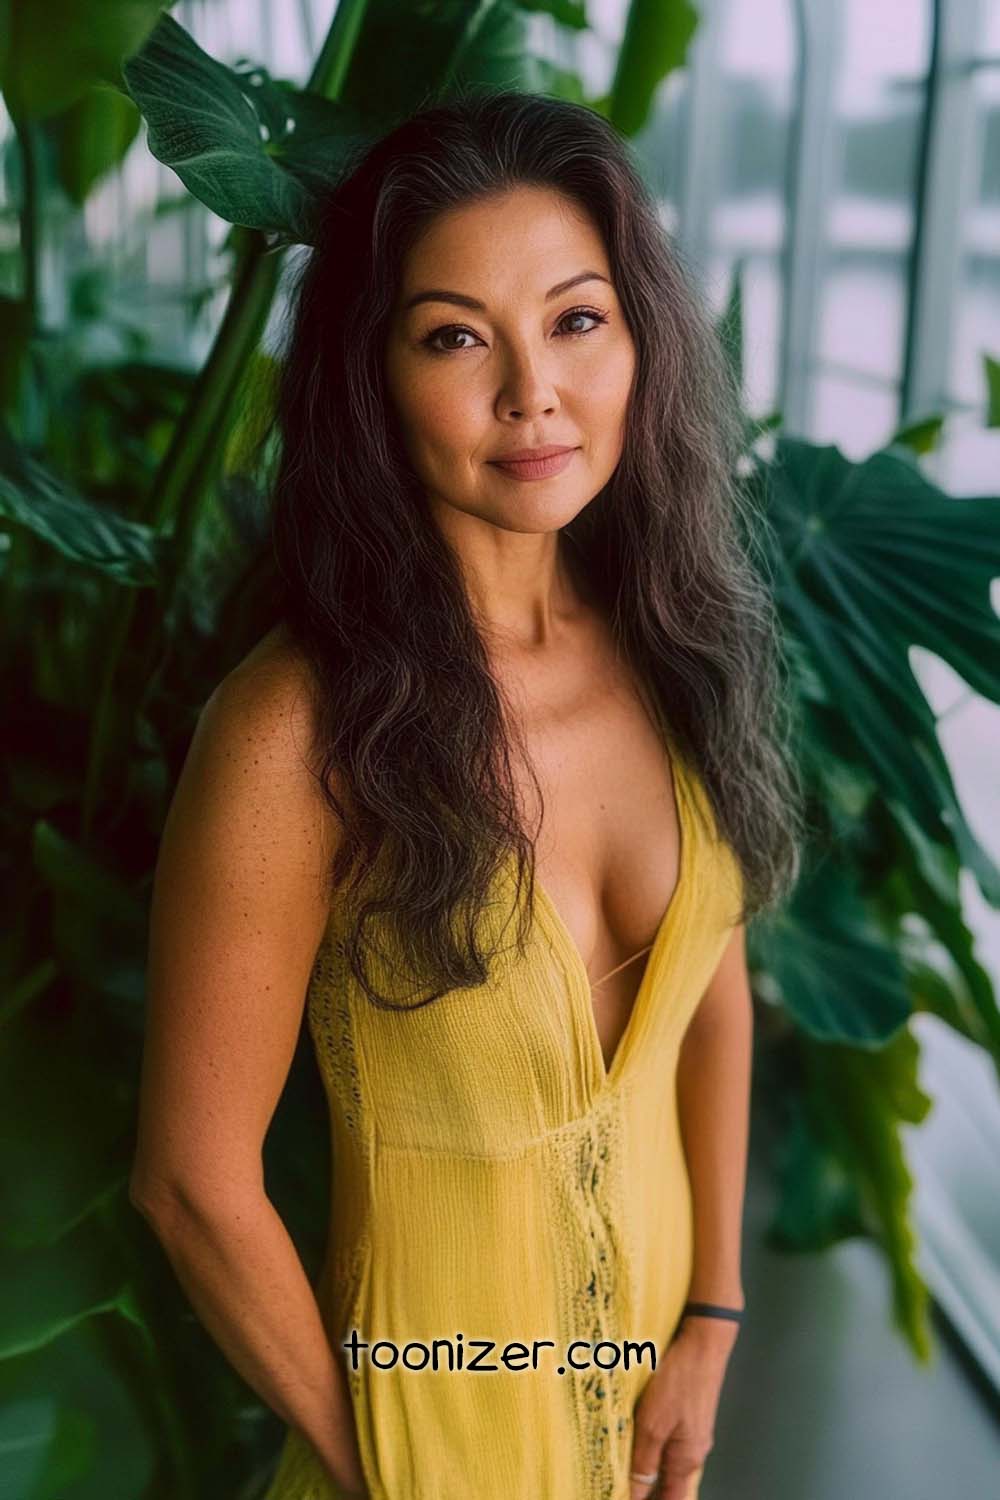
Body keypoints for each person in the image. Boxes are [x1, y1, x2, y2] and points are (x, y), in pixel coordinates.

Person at [129, 87, 802, 1500]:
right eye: (454, 337)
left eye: (575, 319)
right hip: (425, 1450)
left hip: (648, 1431)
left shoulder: (676, 637)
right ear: (371, 374)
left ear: (642, 341)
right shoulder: (295, 733)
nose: (530, 393)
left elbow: (711, 987)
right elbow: (193, 1183)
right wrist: (385, 1473)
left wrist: (717, 1318)